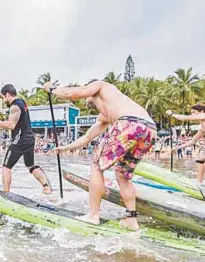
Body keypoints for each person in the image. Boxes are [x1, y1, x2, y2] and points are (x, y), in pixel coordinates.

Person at [43, 79, 157, 231]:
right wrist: (65, 147)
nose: (87, 101)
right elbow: (87, 138)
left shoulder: (101, 85)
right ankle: (131, 219)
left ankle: (93, 215)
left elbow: (71, 93)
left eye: (88, 96)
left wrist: (51, 89)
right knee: (122, 174)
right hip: (149, 130)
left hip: (129, 123)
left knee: (97, 166)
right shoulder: (108, 113)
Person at [0, 84, 52, 195]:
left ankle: (6, 193)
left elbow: (11, 125)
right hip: (30, 138)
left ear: (8, 95)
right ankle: (46, 187)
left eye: (4, 98)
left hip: (20, 139)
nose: (4, 100)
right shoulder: (21, 101)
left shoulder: (14, 107)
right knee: (30, 165)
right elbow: (3, 95)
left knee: (6, 166)